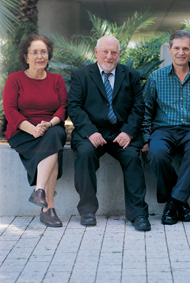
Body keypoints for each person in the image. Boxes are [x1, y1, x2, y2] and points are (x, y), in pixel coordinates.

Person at [68, 35, 150, 231]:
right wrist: (90, 132)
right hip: (92, 132)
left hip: (121, 133)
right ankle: (87, 211)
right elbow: (74, 106)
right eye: (105, 51)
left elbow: (139, 107)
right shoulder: (81, 75)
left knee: (131, 157)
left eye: (113, 52)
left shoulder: (131, 75)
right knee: (85, 154)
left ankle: (138, 214)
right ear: (96, 52)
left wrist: (129, 132)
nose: (109, 56)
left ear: (119, 54)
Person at [142, 30, 190, 225]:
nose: (181, 52)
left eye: (185, 48)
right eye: (177, 48)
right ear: (169, 49)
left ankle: (173, 203)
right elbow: (146, 111)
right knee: (156, 154)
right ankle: (180, 203)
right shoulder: (156, 78)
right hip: (163, 130)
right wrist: (146, 138)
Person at [3, 34, 68, 227]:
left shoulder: (57, 80)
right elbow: (10, 111)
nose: (40, 56)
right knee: (53, 149)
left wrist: (48, 124)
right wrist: (32, 129)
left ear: (48, 56)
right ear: (26, 57)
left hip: (49, 127)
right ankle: (49, 208)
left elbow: (63, 108)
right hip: (22, 131)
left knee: (55, 135)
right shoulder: (15, 79)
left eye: (44, 52)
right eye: (35, 52)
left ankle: (39, 191)